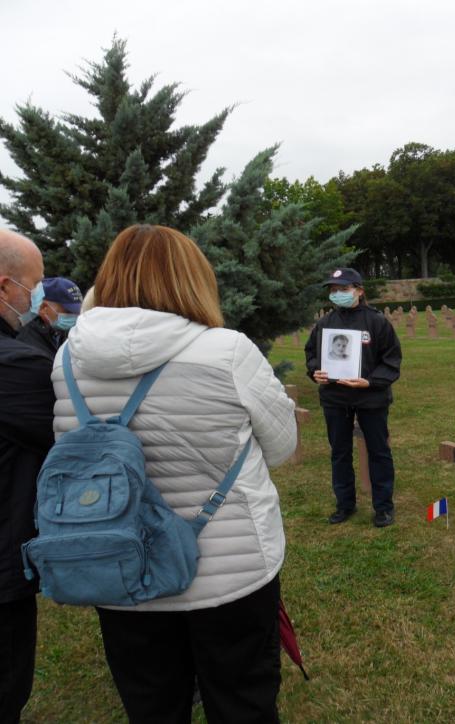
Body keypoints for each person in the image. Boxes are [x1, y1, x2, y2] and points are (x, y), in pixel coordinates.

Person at [51, 224, 297, 723]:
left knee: (152, 705)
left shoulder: (67, 359)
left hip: (120, 564)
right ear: (193, 279)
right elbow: (283, 445)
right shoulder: (227, 350)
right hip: (229, 569)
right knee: (242, 700)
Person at [0, 229, 55, 723]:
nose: (35, 297)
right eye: (33, 285)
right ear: (3, 287)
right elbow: (66, 438)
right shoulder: (15, 364)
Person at [305, 268, 402, 528]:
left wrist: (370, 381)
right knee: (339, 453)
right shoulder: (324, 324)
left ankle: (383, 507)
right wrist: (316, 372)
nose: (338, 295)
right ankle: (344, 504)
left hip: (371, 398)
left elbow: (391, 360)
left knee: (379, 452)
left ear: (359, 291)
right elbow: (312, 355)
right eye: (333, 291)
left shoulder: (377, 322)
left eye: (344, 289)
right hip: (335, 399)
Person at [17, 276, 83, 360]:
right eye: (68, 312)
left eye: (77, 312)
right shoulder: (26, 342)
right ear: (44, 308)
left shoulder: (61, 333)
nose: (75, 317)